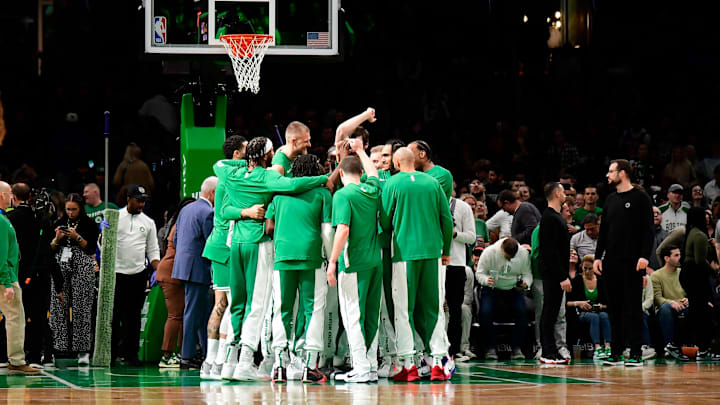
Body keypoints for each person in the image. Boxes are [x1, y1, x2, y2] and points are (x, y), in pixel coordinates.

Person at [221, 137, 329, 381]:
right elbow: (293, 185)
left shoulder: (232, 176)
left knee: (237, 303)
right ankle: (246, 361)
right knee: (258, 303)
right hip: (259, 243)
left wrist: (243, 211)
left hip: (236, 242)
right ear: (267, 155)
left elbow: (224, 209)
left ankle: (230, 360)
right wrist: (325, 178)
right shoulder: (270, 177)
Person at [379, 147, 454, 382]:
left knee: (403, 309)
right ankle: (440, 363)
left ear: (398, 162)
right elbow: (446, 219)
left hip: (404, 255)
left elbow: (384, 220)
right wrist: (447, 251)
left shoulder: (392, 184)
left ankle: (408, 364)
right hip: (432, 253)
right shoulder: (432, 183)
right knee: (432, 308)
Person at [266, 154, 333, 383]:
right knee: (313, 309)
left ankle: (279, 366)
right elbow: (326, 231)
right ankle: (310, 366)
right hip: (311, 256)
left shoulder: (279, 194)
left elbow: (269, 226)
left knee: (282, 309)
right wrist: (331, 258)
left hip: (283, 256)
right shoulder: (323, 193)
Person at [200, 135, 257, 379]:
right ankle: (219, 361)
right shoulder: (231, 178)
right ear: (236, 155)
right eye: (246, 151)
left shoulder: (227, 177)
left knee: (222, 304)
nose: (249, 156)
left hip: (218, 244)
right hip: (225, 245)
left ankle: (212, 362)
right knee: (228, 305)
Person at [326, 141, 382, 383]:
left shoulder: (342, 195)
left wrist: (332, 262)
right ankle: (369, 366)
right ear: (359, 173)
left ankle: (360, 367)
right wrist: (361, 151)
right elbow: (374, 174)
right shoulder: (371, 190)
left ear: (340, 174)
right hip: (374, 261)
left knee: (352, 317)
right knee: (371, 316)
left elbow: (343, 230)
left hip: (353, 263)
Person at [593, 159, 654, 367]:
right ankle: (617, 352)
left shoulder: (641, 198)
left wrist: (645, 256)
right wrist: (597, 257)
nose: (607, 175)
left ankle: (636, 352)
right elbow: (603, 232)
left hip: (633, 262)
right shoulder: (610, 199)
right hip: (611, 262)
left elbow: (648, 230)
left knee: (633, 308)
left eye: (611, 171)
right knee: (614, 309)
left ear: (623, 173)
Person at [112, 184, 161, 366]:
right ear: (128, 199)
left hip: (138, 275)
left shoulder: (148, 222)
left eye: (143, 201)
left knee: (133, 317)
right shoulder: (115, 217)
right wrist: (104, 233)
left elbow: (153, 250)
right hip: (117, 274)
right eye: (138, 200)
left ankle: (131, 355)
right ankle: (111, 354)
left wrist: (158, 269)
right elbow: (103, 246)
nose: (141, 204)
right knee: (114, 316)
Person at [48, 192, 99, 365]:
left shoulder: (90, 224)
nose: (70, 213)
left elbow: (91, 248)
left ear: (81, 209)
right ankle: (59, 348)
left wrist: (76, 236)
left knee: (82, 306)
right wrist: (57, 238)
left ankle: (83, 349)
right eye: (68, 209)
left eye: (74, 210)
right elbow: (51, 248)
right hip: (61, 263)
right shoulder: (59, 223)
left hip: (83, 263)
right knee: (58, 305)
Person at [172, 176, 217, 369]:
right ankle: (187, 355)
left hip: (184, 266)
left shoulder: (186, 209)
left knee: (204, 312)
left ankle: (208, 353)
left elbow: (175, 239)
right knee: (192, 312)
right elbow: (211, 243)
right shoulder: (208, 212)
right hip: (197, 269)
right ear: (213, 193)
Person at [7, 183, 53, 368]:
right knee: (38, 316)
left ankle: (12, 356)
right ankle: (35, 356)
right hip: (40, 274)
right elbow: (48, 250)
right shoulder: (41, 219)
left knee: (15, 315)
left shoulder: (9, 219)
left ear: (13, 197)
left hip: (18, 273)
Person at [0, 181, 40, 374]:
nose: (11, 197)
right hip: (5, 277)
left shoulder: (3, 218)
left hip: (6, 275)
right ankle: (16, 361)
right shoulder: (1, 220)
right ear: (2, 196)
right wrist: (6, 283)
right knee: (15, 317)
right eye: (9, 194)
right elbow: (1, 254)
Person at [476, 237, 532, 361]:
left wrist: (526, 283)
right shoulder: (489, 252)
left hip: (513, 288)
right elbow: (479, 273)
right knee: (485, 312)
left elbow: (527, 274)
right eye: (507, 256)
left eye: (512, 257)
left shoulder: (523, 254)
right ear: (501, 249)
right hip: (492, 287)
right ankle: (490, 348)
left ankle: (517, 348)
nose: (509, 259)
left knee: (522, 312)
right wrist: (486, 280)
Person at [156, 197, 196, 368]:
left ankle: (179, 354)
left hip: (172, 272)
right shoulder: (180, 226)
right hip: (171, 274)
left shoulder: (177, 223)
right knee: (175, 315)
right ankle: (166, 356)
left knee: (180, 314)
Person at [679, 207, 720, 360]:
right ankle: (676, 343)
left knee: (700, 313)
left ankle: (703, 348)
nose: (706, 217)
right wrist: (715, 273)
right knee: (698, 312)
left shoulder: (691, 233)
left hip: (688, 274)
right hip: (696, 276)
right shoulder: (699, 235)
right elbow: (700, 261)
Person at [538, 182, 572, 364]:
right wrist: (562, 276)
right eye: (563, 191)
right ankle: (547, 351)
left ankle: (551, 350)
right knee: (550, 312)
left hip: (555, 273)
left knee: (552, 312)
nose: (565, 194)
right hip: (553, 274)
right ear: (558, 193)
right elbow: (551, 251)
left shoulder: (554, 217)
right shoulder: (550, 218)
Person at [445, 194, 476, 360]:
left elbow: (471, 237)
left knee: (455, 309)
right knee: (433, 308)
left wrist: (455, 234)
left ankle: (454, 349)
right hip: (431, 261)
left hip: (455, 263)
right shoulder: (427, 201)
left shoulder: (462, 207)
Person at [567, 255, 610, 359]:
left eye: (590, 268)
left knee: (604, 316)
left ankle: (608, 346)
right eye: (584, 268)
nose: (587, 271)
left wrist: (601, 306)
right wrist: (579, 303)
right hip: (581, 313)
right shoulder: (577, 280)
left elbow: (608, 304)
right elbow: (567, 302)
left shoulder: (601, 281)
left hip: (598, 311)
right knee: (594, 317)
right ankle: (597, 348)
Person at [650, 245, 689, 360]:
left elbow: (690, 292)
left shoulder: (683, 273)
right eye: (676, 255)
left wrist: (688, 299)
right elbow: (657, 298)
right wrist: (671, 302)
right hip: (665, 308)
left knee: (697, 307)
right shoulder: (656, 275)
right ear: (667, 258)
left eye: (680, 255)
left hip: (683, 306)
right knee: (666, 308)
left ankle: (698, 347)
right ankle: (670, 346)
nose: (680, 258)